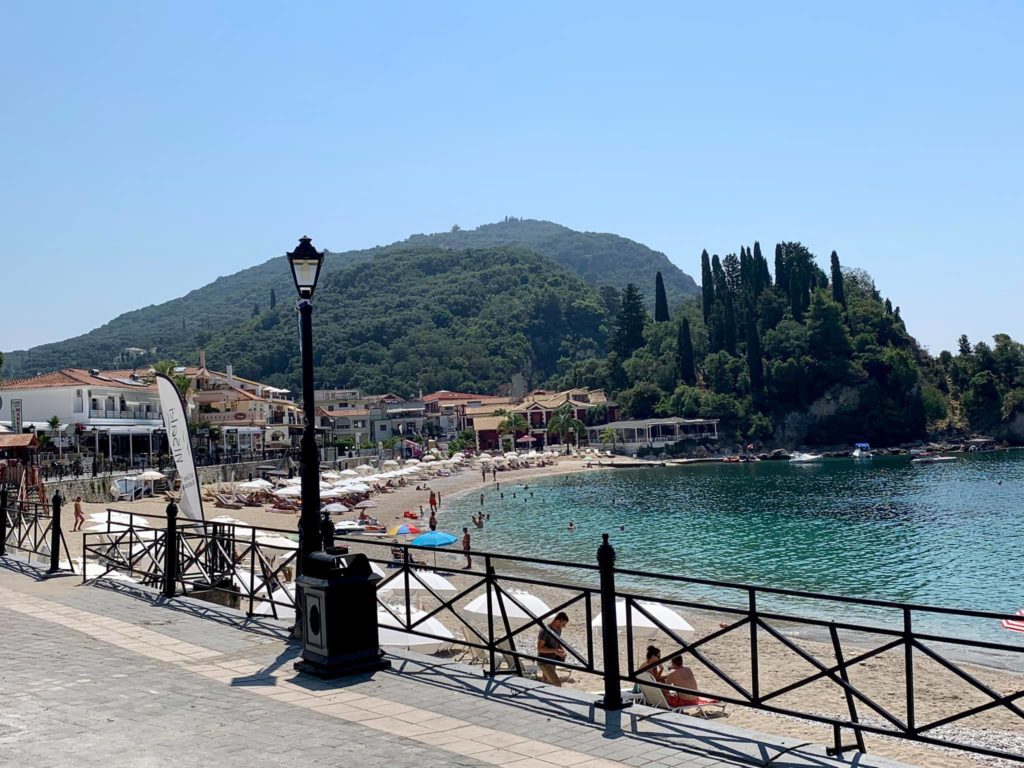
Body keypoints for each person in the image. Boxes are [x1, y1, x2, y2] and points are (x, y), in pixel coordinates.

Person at [537, 612, 570, 686]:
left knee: (546, 684)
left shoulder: (558, 630)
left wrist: (562, 651)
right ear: (558, 620)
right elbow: (540, 649)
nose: (563, 626)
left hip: (552, 661)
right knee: (557, 684)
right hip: (544, 662)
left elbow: (557, 643)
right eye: (563, 624)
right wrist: (554, 650)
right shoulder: (545, 631)